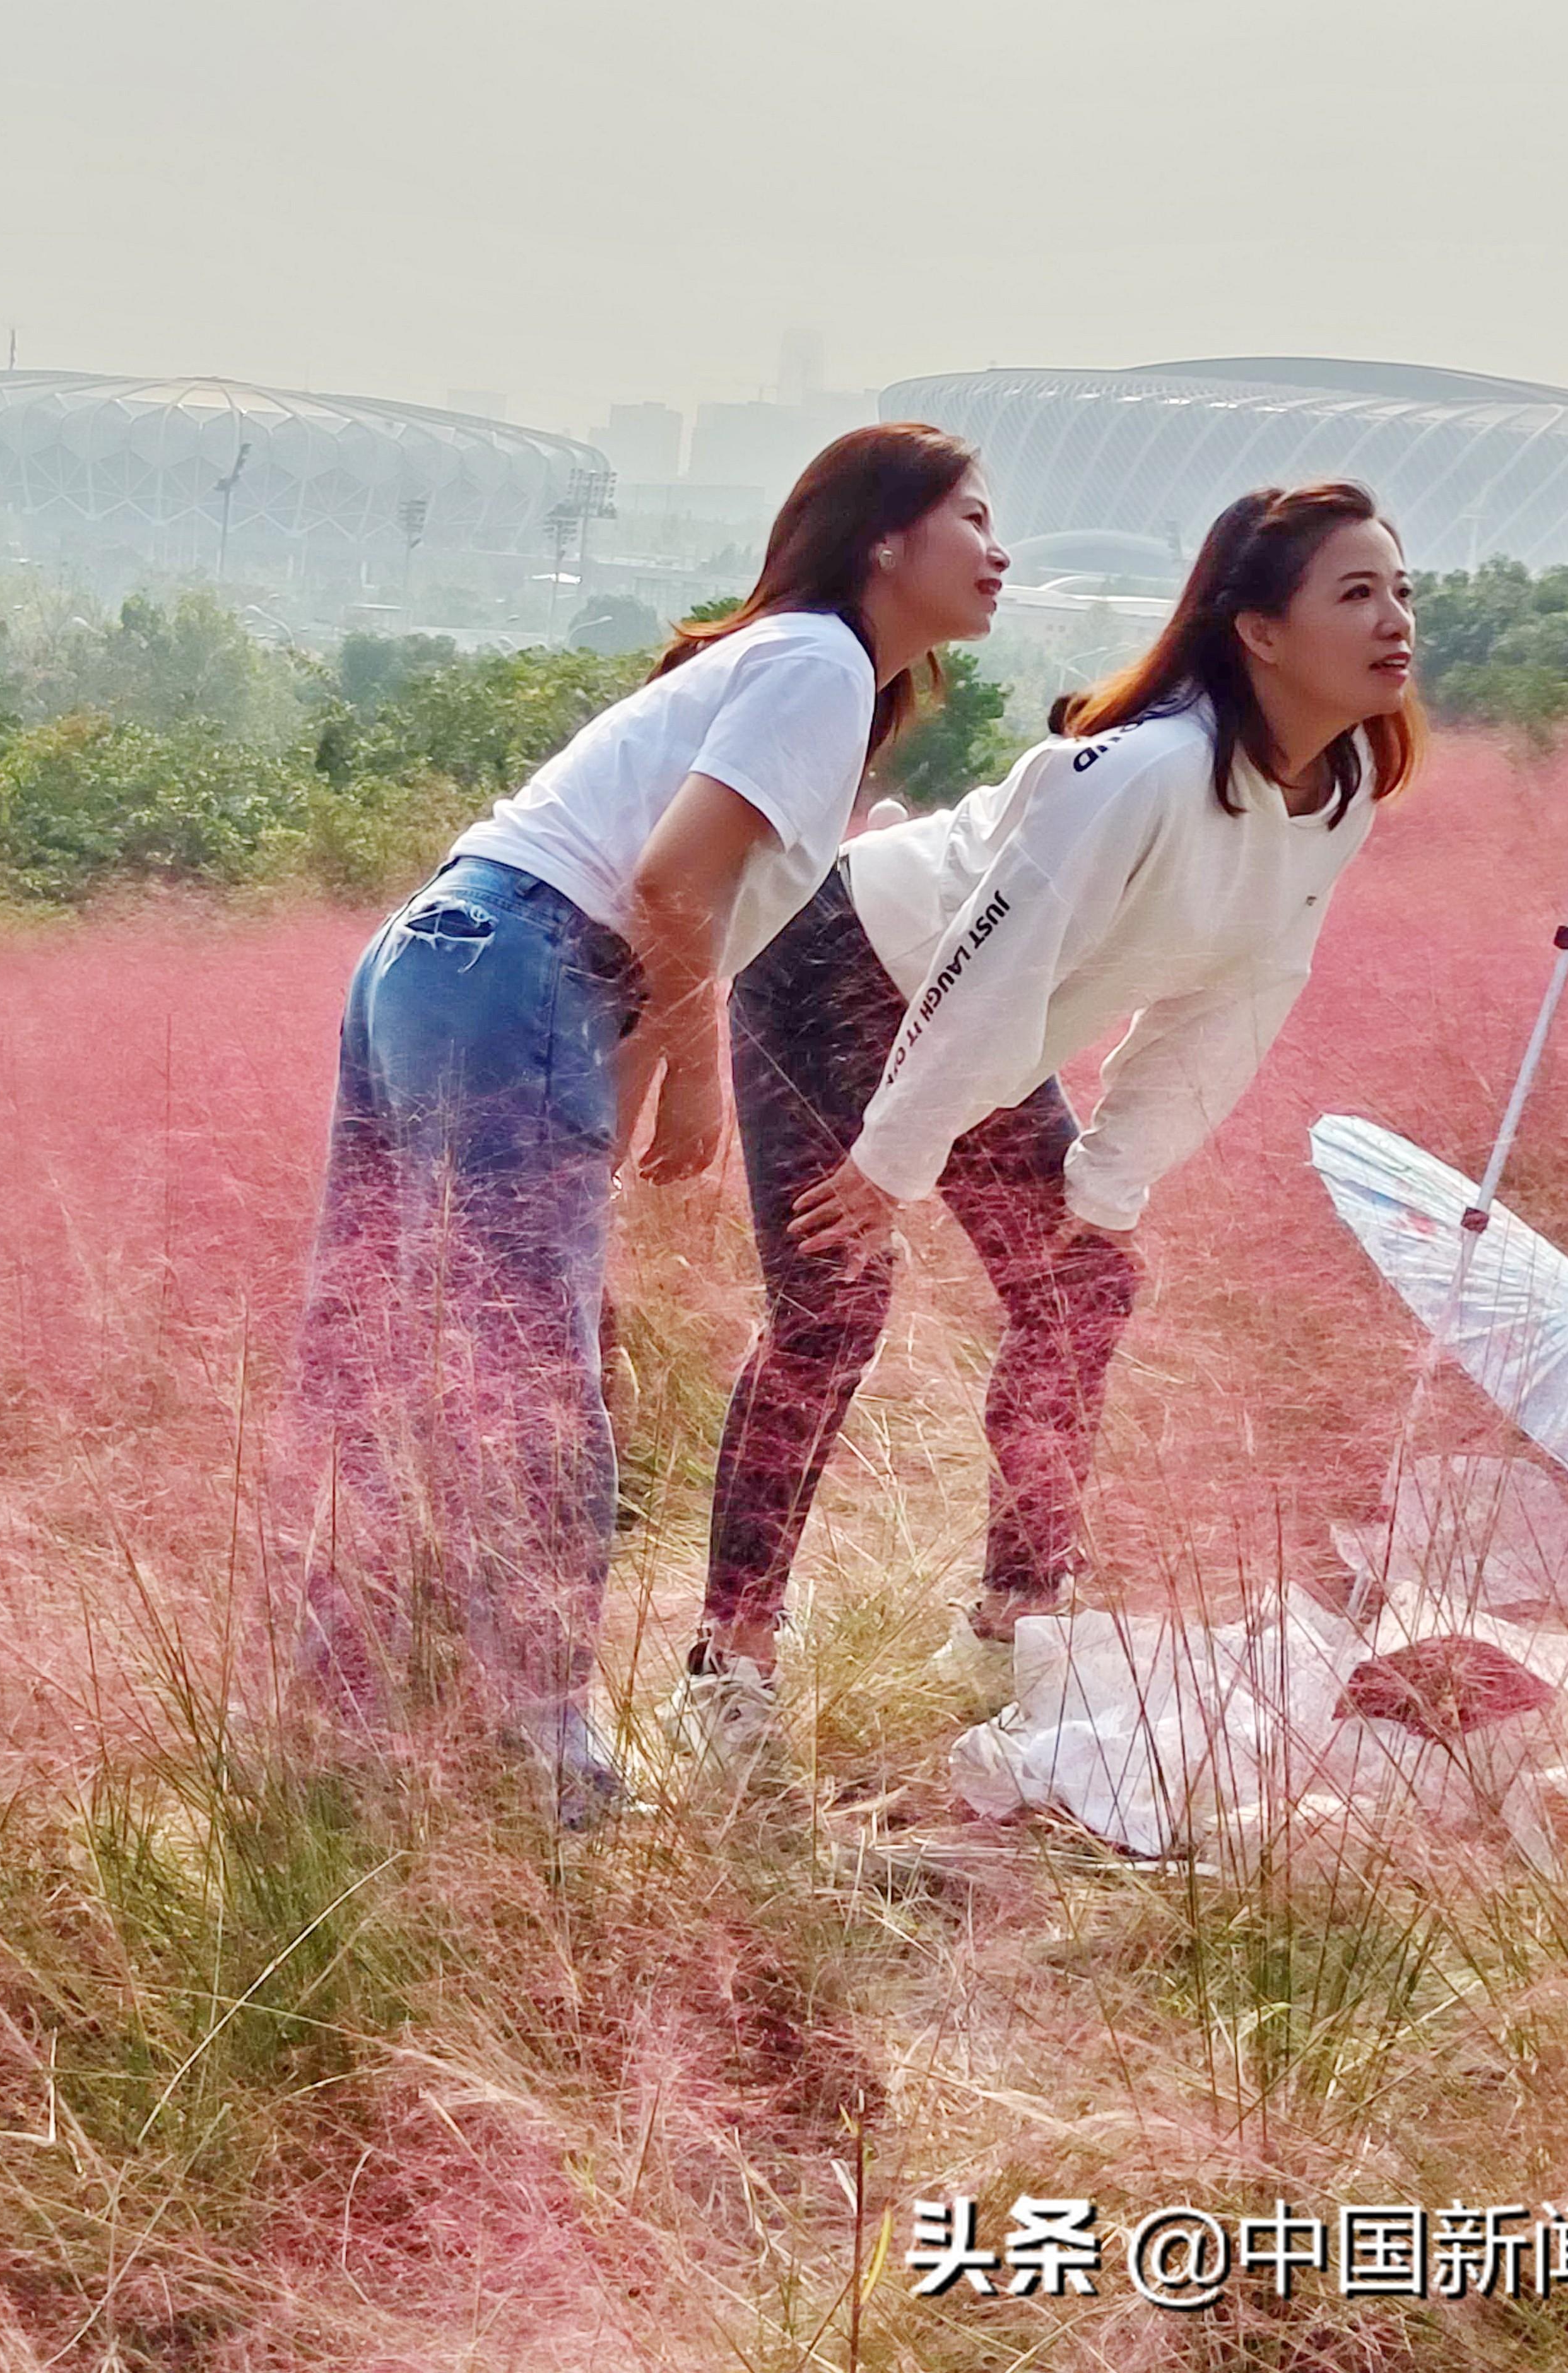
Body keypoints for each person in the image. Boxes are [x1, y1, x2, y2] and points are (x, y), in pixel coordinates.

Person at [295, 425, 1007, 1824]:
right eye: (972, 518)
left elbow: (631, 918)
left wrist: (592, 1225)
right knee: (535, 1406)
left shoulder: (783, 666)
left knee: (388, 1363)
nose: (1000, 551)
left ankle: (343, 1726)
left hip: (443, 955)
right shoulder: (814, 662)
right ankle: (538, 1768)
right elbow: (669, 885)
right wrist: (696, 1079)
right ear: (883, 539)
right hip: (524, 966)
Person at [676, 482, 1422, 1751]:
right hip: (838, 960)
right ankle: (727, 1661)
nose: (1393, 619)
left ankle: (1012, 1621)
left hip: (975, 1022)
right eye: (1354, 592)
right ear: (1258, 630)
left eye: (1400, 590)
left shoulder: (1333, 790)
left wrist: (1109, 1177)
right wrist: (892, 1156)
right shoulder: (1138, 771)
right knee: (833, 1304)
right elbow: (992, 954)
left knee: (1083, 1285)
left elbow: (1242, 990)